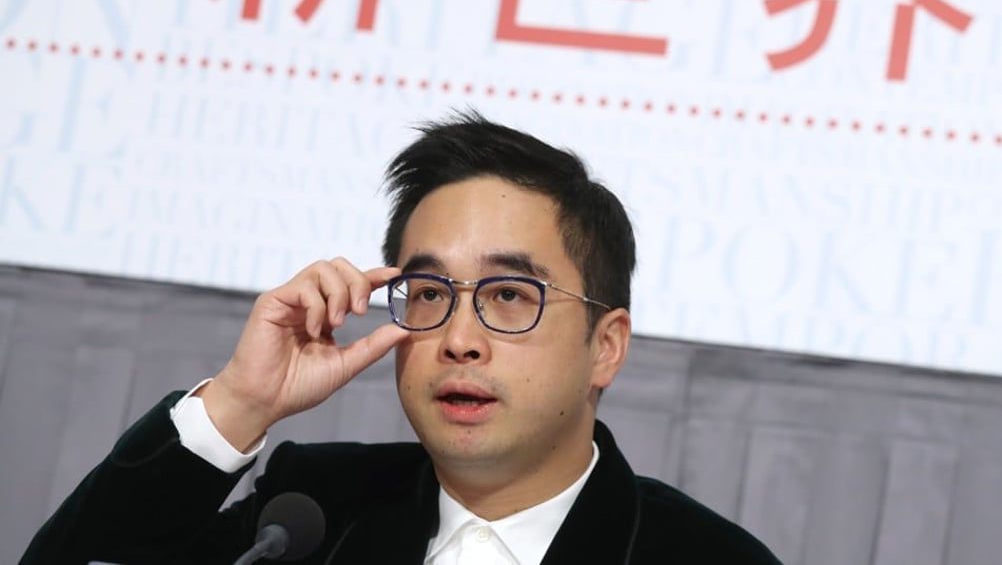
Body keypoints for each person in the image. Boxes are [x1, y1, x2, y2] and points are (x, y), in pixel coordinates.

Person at [21, 111, 781, 564]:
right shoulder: (309, 516)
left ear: (606, 346)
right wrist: (238, 406)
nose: (458, 339)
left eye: (508, 295)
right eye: (428, 293)